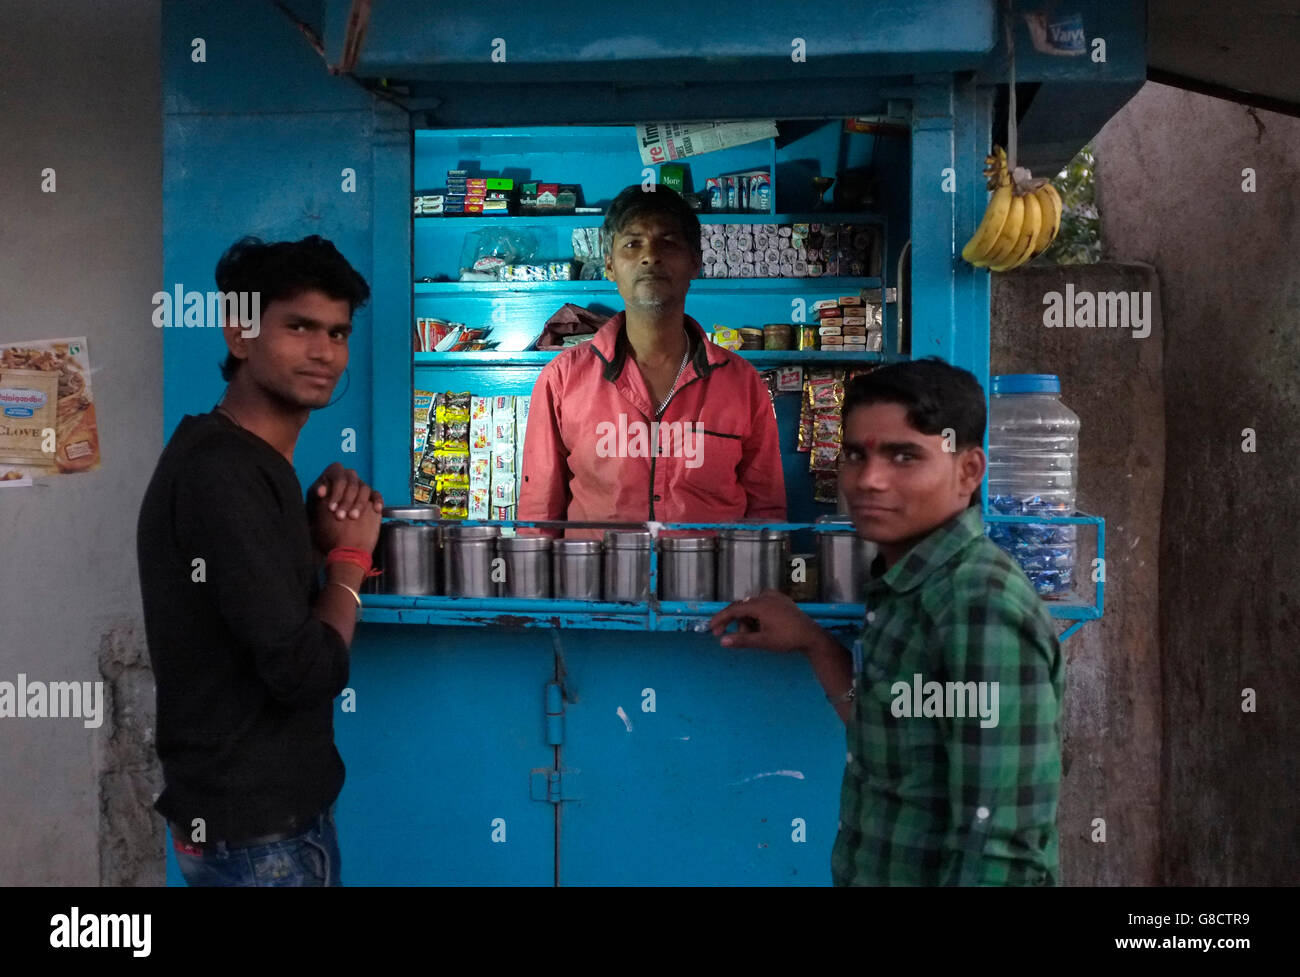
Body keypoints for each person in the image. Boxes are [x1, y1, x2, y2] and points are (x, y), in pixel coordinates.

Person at [709, 358, 1063, 885]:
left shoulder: (978, 608)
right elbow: (891, 737)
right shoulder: (906, 583)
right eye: (856, 454)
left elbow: (999, 851)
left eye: (905, 456)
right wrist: (814, 643)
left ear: (968, 472)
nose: (870, 480)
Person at [137, 235, 383, 886]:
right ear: (241, 334)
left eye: (337, 331)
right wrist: (352, 556)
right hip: (257, 841)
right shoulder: (222, 474)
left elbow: (249, 595)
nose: (324, 351)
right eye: (298, 326)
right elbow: (303, 670)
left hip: (257, 830)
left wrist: (311, 530)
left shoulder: (246, 465)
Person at [517, 184, 786, 532]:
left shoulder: (742, 382)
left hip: (708, 583)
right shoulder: (563, 380)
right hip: (595, 584)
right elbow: (539, 513)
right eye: (632, 243)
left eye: (668, 242)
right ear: (610, 266)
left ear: (695, 263)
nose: (650, 256)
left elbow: (766, 510)